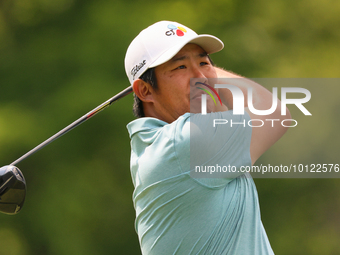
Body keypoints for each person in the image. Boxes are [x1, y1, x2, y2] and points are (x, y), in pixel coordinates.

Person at [124, 20, 290, 255]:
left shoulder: (155, 146)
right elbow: (274, 113)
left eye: (204, 62)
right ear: (145, 91)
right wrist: (206, 73)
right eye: (180, 67)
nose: (200, 76)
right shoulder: (184, 143)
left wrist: (196, 70)